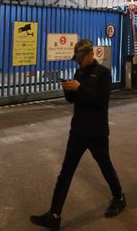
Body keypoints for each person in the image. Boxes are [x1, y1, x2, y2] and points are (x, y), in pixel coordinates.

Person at [30, 39, 126, 230]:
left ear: (90, 56)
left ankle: (119, 197)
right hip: (78, 131)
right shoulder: (79, 72)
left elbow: (101, 101)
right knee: (65, 173)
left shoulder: (103, 74)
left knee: (105, 166)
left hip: (96, 132)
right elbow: (74, 100)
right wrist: (68, 90)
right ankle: (54, 215)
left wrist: (79, 88)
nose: (78, 63)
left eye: (81, 59)